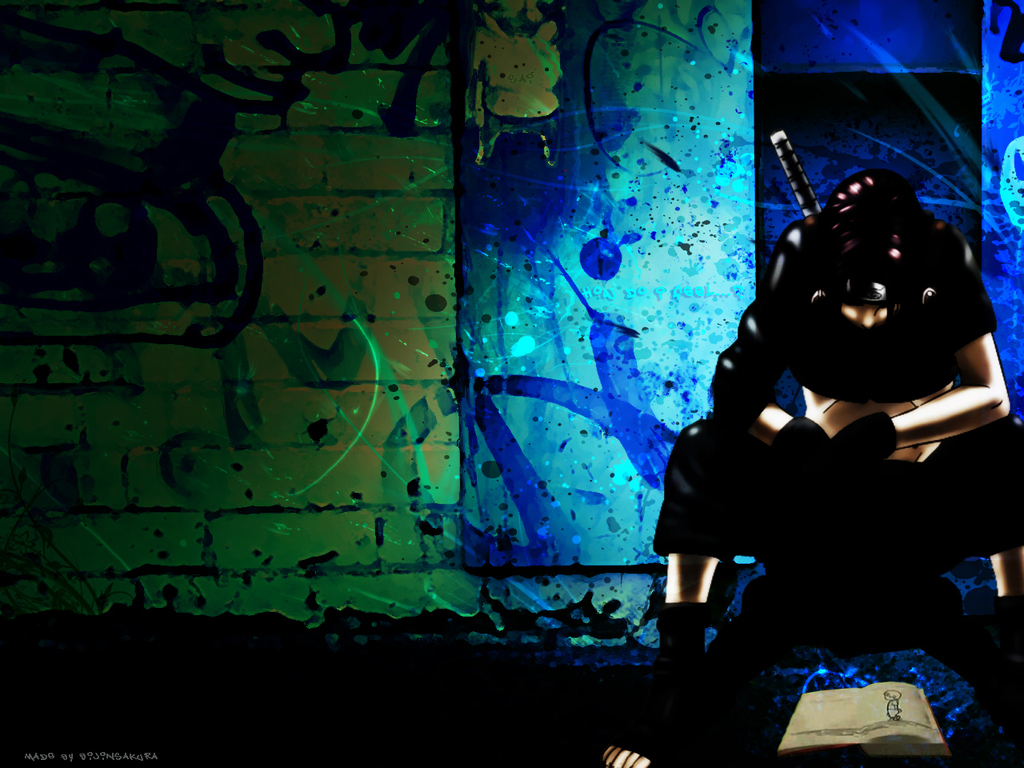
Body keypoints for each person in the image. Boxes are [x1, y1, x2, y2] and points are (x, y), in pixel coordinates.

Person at [602, 169, 1024, 768]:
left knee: (1010, 445)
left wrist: (887, 433)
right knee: (703, 446)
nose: (868, 323)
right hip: (813, 496)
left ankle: (1019, 663)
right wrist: (791, 437)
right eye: (853, 307)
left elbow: (991, 394)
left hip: (919, 499)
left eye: (884, 307)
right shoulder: (802, 252)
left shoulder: (942, 252)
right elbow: (736, 384)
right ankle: (675, 684)